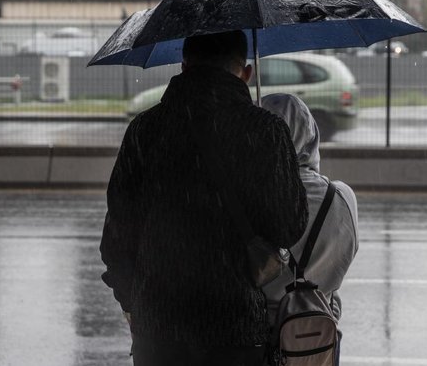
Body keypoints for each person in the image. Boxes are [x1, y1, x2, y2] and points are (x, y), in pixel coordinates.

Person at [100, 30, 308, 366]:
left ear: (183, 66)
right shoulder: (265, 131)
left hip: (158, 329)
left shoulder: (145, 130)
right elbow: (290, 226)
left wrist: (133, 303)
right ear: (247, 73)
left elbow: (116, 239)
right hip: (236, 329)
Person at [260, 93, 359, 345]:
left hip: (261, 336)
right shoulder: (341, 197)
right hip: (319, 338)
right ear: (311, 133)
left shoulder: (249, 198)